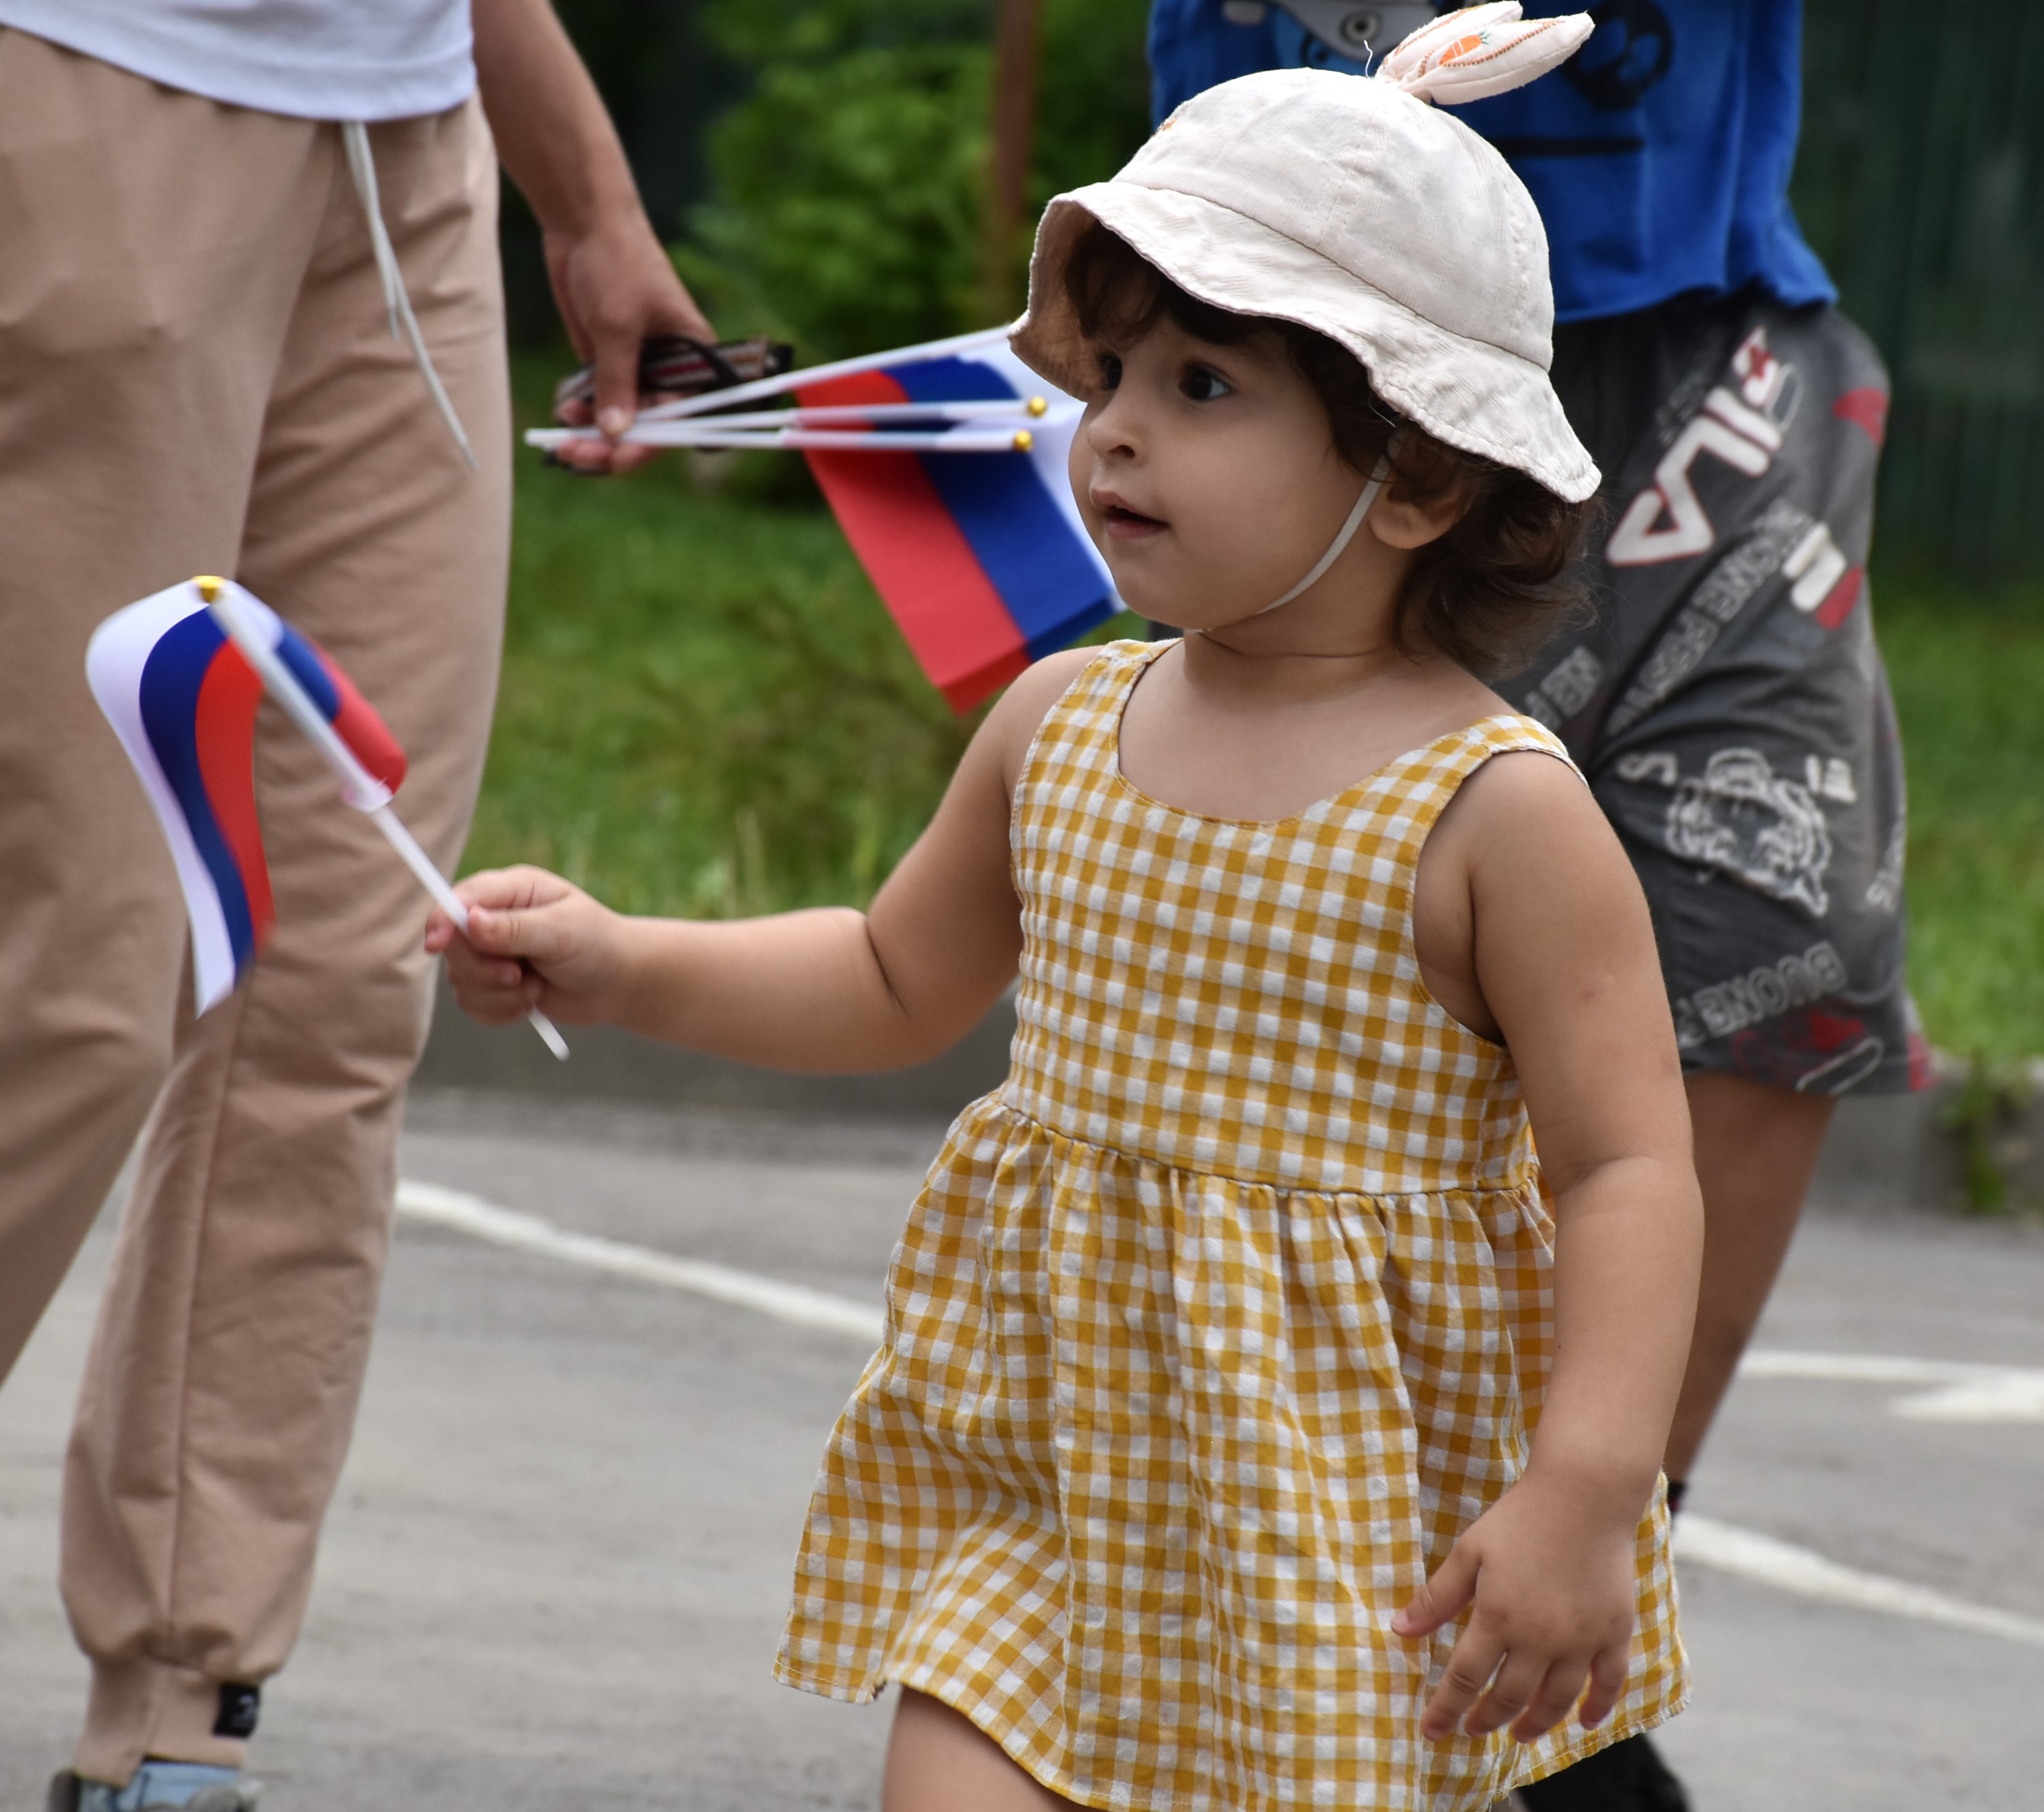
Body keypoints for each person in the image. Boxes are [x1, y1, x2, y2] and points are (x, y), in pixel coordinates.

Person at [436, 31, 1702, 1811]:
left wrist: (1584, 1488)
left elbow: (1626, 1169)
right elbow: (890, 976)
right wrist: (622, 957)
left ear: (1414, 476)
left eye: (1202, 387)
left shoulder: (1490, 808)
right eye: (1110, 370)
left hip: (1332, 1526)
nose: (1106, 424)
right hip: (1051, 1474)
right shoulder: (1063, 723)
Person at [1150, 4, 1927, 1802]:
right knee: (1302, 936)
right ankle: (1256, 1582)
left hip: (1695, 355)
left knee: (1775, 950)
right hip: (1295, 324)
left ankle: (1584, 1615)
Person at [0, 1, 708, 1804]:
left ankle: (177, 1696)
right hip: (93, 86)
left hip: (407, 150)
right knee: (75, 973)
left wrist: (589, 194)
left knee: (338, 977)